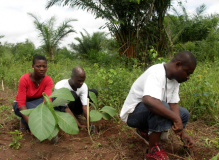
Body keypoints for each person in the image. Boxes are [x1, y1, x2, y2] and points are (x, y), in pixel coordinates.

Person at [120, 51, 196, 160]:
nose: (188, 77)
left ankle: (145, 131)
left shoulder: (175, 80)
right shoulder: (156, 72)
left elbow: (173, 104)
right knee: (161, 107)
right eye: (187, 73)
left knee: (183, 114)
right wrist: (175, 118)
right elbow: (149, 101)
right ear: (178, 65)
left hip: (147, 112)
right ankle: (152, 151)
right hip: (133, 115)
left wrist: (183, 134)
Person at [13, 55, 53, 134]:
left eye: (44, 66)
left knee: (55, 101)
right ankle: (25, 123)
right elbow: (21, 104)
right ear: (33, 66)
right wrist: (33, 126)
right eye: (38, 66)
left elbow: (48, 101)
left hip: (37, 101)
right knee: (35, 111)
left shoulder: (48, 80)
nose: (41, 69)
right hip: (20, 105)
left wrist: (47, 120)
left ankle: (26, 121)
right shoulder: (24, 79)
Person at [55, 66, 98, 131]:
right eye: (79, 81)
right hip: (62, 108)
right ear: (72, 77)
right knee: (72, 94)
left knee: (93, 92)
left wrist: (90, 125)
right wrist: (79, 125)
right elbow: (65, 108)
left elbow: (85, 106)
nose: (81, 83)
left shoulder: (83, 86)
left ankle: (77, 114)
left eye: (83, 81)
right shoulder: (60, 86)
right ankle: (70, 117)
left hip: (74, 104)